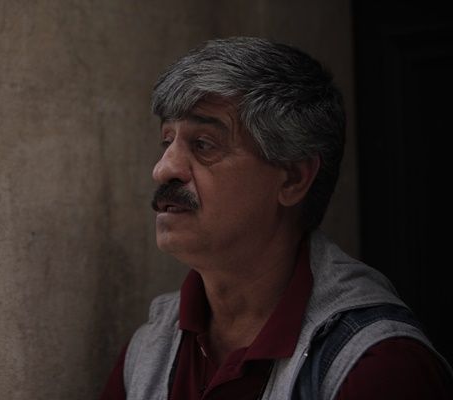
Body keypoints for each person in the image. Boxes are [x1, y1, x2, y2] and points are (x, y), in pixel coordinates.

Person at [99, 37, 453, 400]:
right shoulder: (148, 351)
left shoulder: (379, 366)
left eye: (204, 144)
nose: (163, 169)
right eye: (167, 141)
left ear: (293, 179)